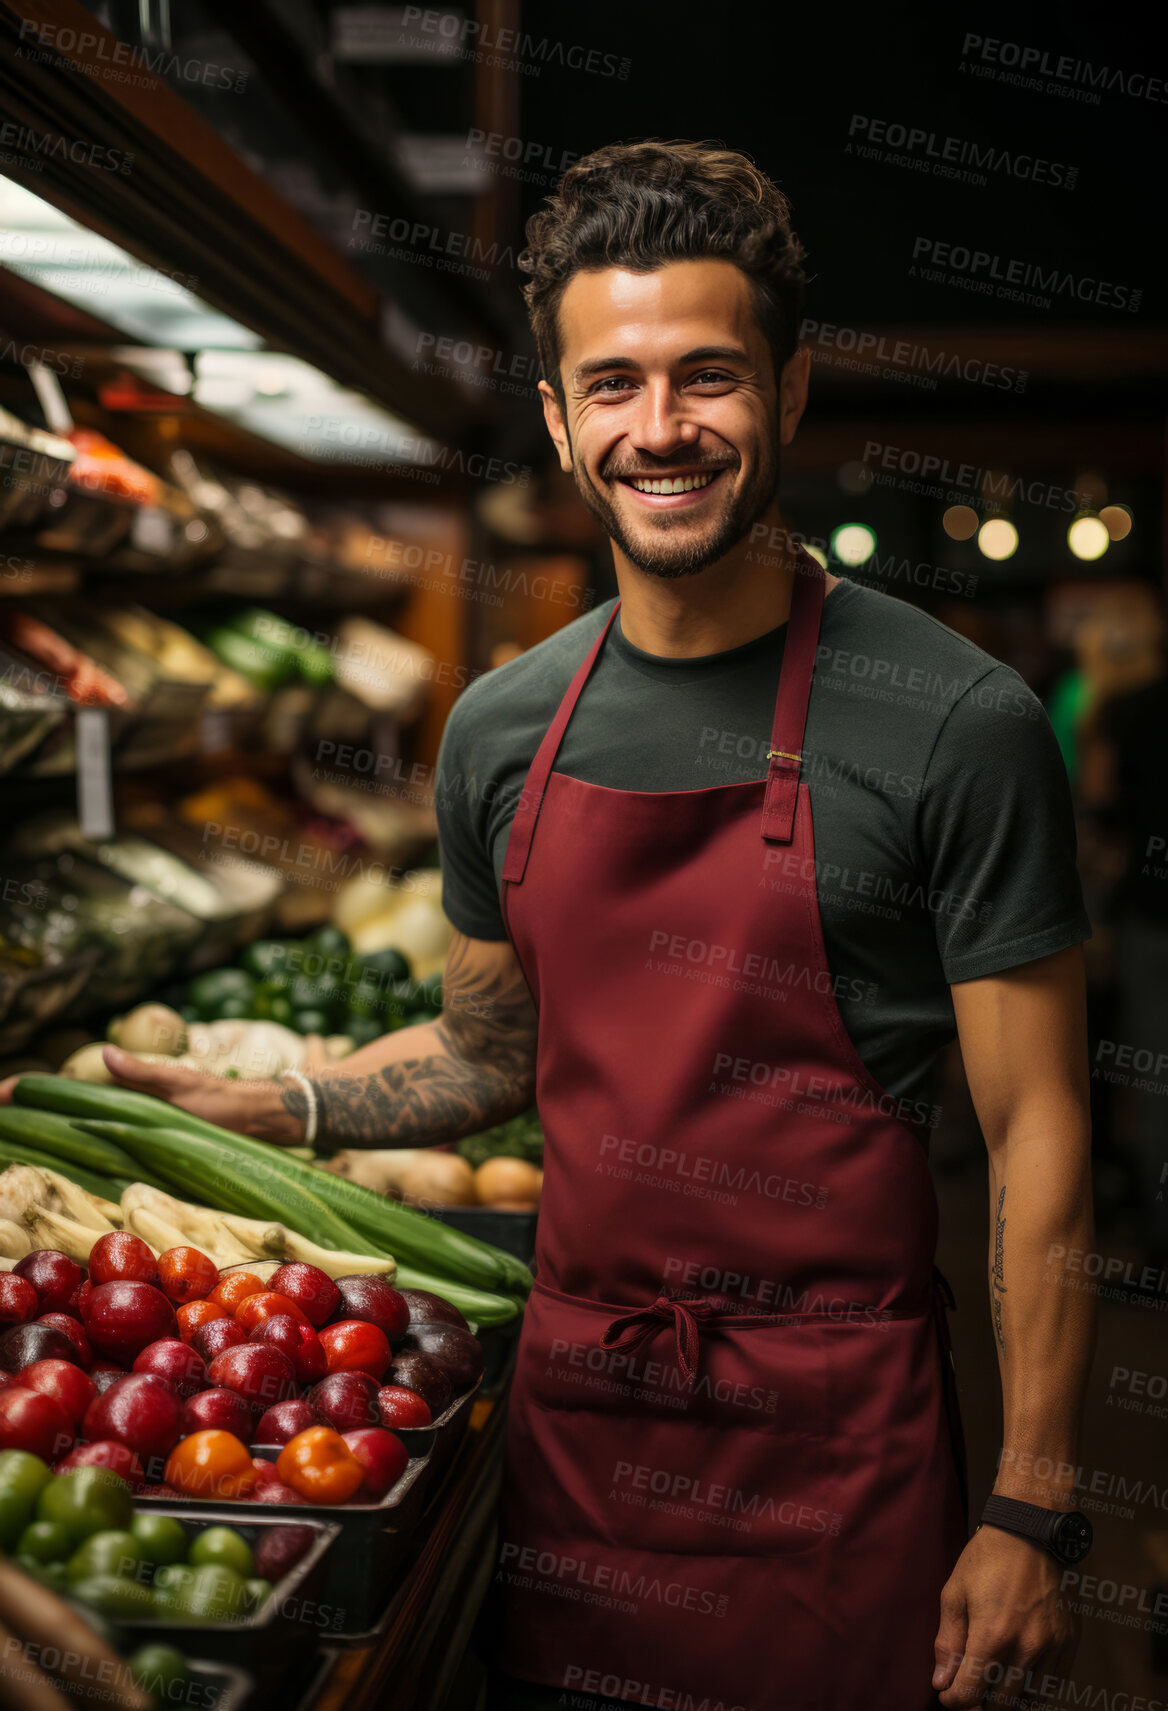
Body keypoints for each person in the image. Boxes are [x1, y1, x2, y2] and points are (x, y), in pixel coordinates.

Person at [75, 142, 1095, 1711]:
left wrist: (1031, 1500)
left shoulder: (956, 724)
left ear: (794, 391)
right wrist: (276, 1103)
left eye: (710, 377)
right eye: (611, 385)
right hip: (580, 1438)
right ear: (557, 418)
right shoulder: (502, 729)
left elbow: (1038, 1141)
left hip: (835, 1445)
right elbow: (490, 1045)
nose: (660, 428)